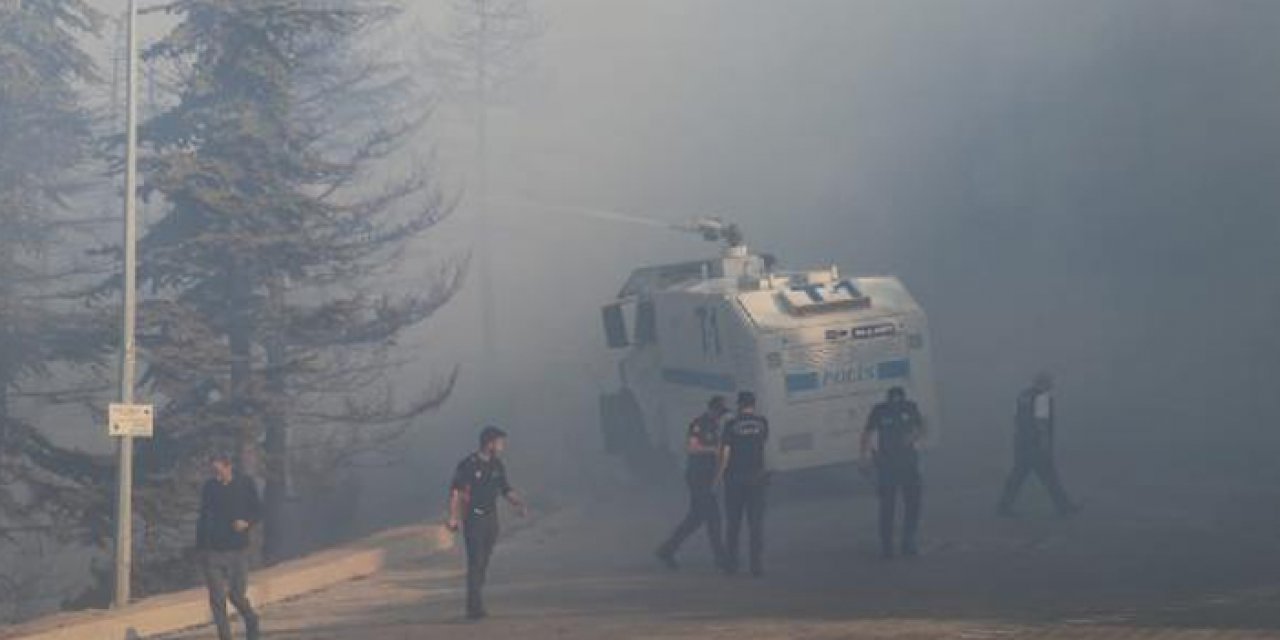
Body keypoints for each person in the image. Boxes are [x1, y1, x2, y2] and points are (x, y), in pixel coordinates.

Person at [447, 426, 527, 620]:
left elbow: (505, 488)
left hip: (491, 519)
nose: (502, 445)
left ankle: (476, 599)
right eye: (500, 442)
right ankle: (474, 609)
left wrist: (518, 503)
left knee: (483, 562)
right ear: (489, 443)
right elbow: (456, 492)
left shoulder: (497, 465)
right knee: (475, 561)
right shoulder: (468, 464)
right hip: (474, 518)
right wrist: (453, 517)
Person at [656, 396, 730, 570]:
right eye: (718, 413)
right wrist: (714, 449)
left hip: (707, 476)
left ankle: (667, 550)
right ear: (712, 410)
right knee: (713, 518)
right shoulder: (699, 423)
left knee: (695, 519)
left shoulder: (715, 425)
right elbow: (692, 447)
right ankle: (721, 559)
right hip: (697, 477)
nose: (720, 416)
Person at [196, 453, 262, 640]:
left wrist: (247, 522)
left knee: (236, 595)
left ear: (228, 466)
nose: (216, 476)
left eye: (219, 471)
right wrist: (200, 547)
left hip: (238, 549)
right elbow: (203, 517)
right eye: (213, 472)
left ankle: (251, 619)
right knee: (217, 600)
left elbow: (258, 510)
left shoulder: (245, 484)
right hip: (212, 551)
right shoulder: (209, 487)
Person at [996, 372, 1080, 517]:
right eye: (1050, 383)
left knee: (1017, 476)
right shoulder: (1042, 397)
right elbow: (1041, 422)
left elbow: (1016, 418)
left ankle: (1003, 507)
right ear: (1045, 383)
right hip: (1037, 445)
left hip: (1022, 442)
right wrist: (1045, 444)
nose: (1051, 386)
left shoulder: (1022, 396)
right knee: (1050, 477)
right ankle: (1064, 508)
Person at [860, 387, 925, 559]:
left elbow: (921, 427)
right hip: (886, 465)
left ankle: (908, 542)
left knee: (912, 504)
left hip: (908, 464)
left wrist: (912, 437)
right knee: (887, 507)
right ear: (888, 399)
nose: (895, 402)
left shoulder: (910, 408)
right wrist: (865, 457)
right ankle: (887, 546)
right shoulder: (880, 411)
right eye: (893, 399)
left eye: (898, 399)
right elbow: (867, 433)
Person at [717, 391, 770, 577]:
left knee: (734, 524)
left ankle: (732, 564)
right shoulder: (763, 423)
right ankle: (756, 566)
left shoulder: (731, 425)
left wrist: (718, 477)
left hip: (734, 480)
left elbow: (725, 453)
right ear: (753, 405)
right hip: (756, 478)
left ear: (739, 405)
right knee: (755, 524)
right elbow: (762, 443)